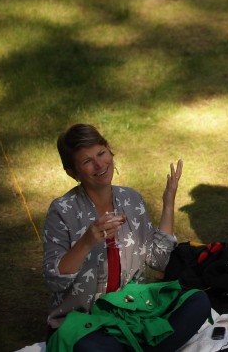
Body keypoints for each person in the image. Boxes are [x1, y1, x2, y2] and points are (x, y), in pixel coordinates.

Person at [43, 124, 211, 350]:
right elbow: (55, 280)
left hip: (131, 311)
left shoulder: (131, 199)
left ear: (110, 151)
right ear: (73, 172)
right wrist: (87, 242)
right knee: (90, 347)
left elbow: (158, 260)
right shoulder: (62, 211)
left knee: (197, 301)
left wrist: (168, 202)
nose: (99, 165)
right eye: (87, 161)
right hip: (87, 322)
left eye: (101, 154)